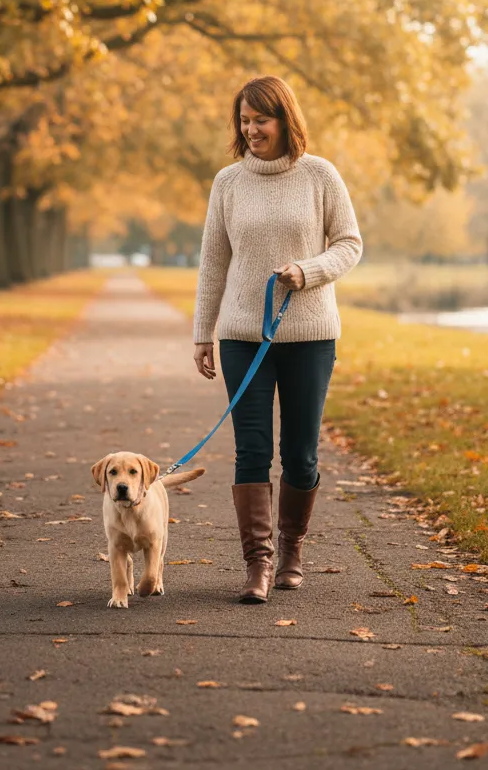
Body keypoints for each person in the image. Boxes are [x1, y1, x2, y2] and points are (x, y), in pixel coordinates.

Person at [192, 75, 363, 603]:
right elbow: (213, 264)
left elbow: (350, 244)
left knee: (301, 453)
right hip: (244, 336)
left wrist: (307, 271)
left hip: (310, 336)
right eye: (243, 121)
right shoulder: (228, 182)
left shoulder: (320, 175)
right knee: (251, 450)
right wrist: (203, 333)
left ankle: (292, 552)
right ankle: (257, 564)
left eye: (260, 120)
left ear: (284, 120)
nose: (250, 130)